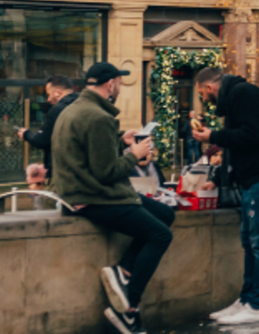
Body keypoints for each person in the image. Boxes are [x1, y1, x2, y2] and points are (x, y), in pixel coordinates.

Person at [52, 62, 172, 334]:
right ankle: (129, 308)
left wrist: (119, 140)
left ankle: (125, 271)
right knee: (160, 235)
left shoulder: (74, 110)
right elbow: (107, 172)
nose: (120, 88)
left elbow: (88, 153)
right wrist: (135, 154)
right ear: (110, 84)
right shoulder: (98, 117)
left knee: (165, 214)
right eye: (120, 82)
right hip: (95, 197)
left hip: (77, 192)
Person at [190, 66, 259, 325]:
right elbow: (239, 146)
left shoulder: (242, 94)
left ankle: (257, 305)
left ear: (211, 88)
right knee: (250, 241)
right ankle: (247, 300)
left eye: (203, 94)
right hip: (254, 178)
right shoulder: (237, 95)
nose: (204, 99)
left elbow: (252, 134)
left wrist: (213, 136)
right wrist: (217, 180)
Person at [19, 75, 78, 180]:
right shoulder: (83, 105)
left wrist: (26, 134)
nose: (48, 99)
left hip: (60, 171)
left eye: (49, 94)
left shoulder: (57, 110)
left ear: (58, 93)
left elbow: (42, 140)